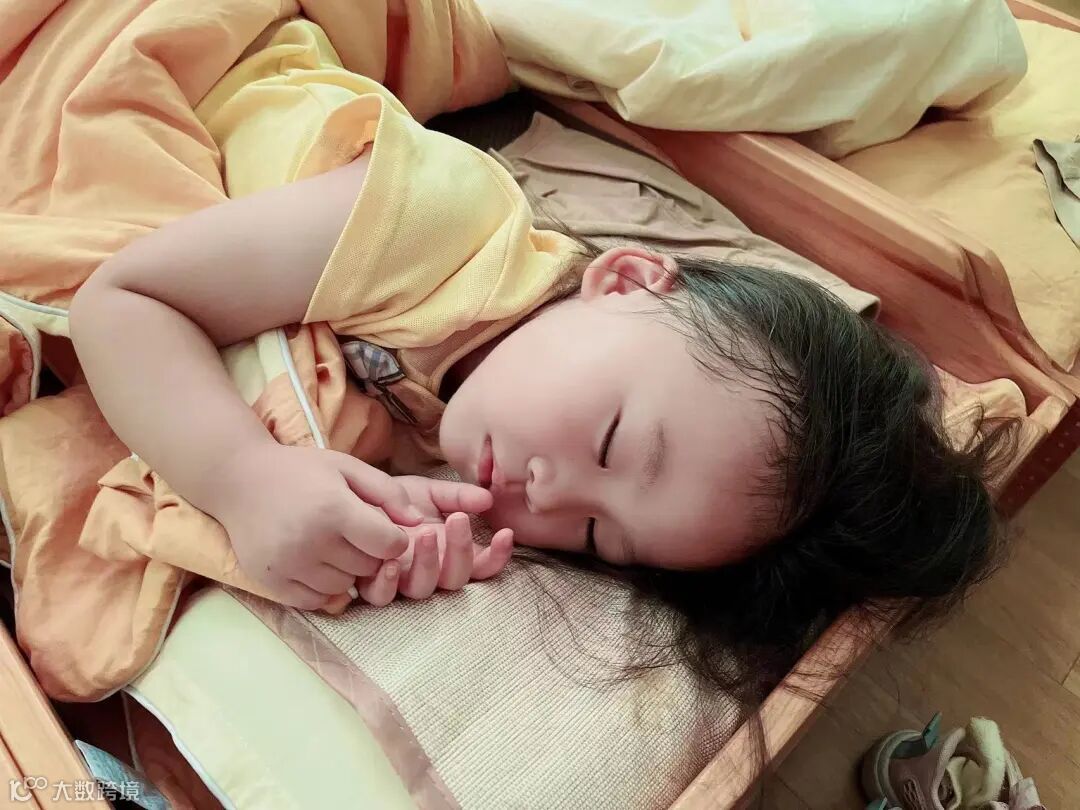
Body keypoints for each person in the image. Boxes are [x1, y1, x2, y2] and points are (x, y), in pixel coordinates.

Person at [69, 19, 1014, 701]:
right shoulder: (429, 222)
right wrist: (243, 478)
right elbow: (124, 301)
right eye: (609, 442)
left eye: (597, 535)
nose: (549, 498)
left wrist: (371, 542)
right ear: (627, 279)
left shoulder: (464, 447)